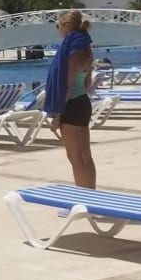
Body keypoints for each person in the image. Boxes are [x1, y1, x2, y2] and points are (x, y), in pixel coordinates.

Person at [45, 10, 96, 188]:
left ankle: (84, 198)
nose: (58, 29)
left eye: (57, 26)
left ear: (66, 26)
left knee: (75, 157)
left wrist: (57, 115)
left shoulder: (72, 53)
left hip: (71, 105)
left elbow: (66, 86)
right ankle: (90, 195)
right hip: (82, 101)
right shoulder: (86, 49)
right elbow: (87, 82)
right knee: (85, 155)